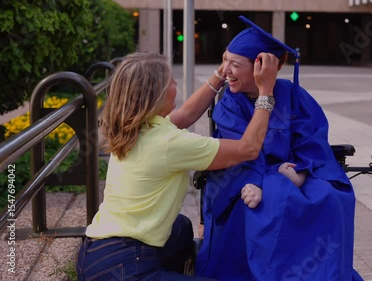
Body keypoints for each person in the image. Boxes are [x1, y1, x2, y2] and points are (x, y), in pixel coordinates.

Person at [76, 51, 280, 280]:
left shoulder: (135, 127)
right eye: (171, 81)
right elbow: (248, 149)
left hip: (93, 253)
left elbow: (186, 114)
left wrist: (221, 74)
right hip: (123, 267)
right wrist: (266, 92)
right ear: (156, 94)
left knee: (181, 227)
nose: (175, 84)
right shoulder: (168, 143)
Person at [195, 16, 364, 281]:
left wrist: (302, 173)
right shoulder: (230, 104)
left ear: (261, 68)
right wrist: (262, 180)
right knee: (271, 198)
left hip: (294, 172)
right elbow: (241, 153)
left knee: (332, 197)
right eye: (224, 59)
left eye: (234, 64)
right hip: (243, 177)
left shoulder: (293, 95)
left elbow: (312, 141)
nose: (224, 70)